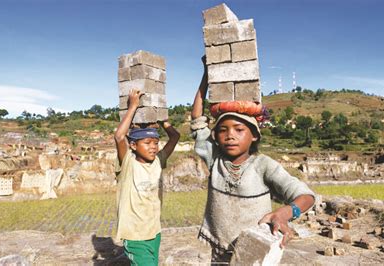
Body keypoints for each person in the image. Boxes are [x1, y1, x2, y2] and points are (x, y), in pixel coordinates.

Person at [191, 57, 315, 263]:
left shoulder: (263, 165)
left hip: (254, 252)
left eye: (239, 130)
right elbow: (197, 120)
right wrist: (207, 76)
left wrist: (286, 212)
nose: (230, 135)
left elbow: (306, 196)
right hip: (217, 250)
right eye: (223, 130)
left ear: (254, 135)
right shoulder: (215, 159)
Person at [114, 88, 180, 265]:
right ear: (134, 145)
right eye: (147, 143)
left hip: (154, 232)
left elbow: (175, 136)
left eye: (156, 143)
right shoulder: (128, 164)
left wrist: (162, 119)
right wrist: (133, 106)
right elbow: (120, 136)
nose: (153, 147)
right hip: (135, 236)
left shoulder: (158, 161)